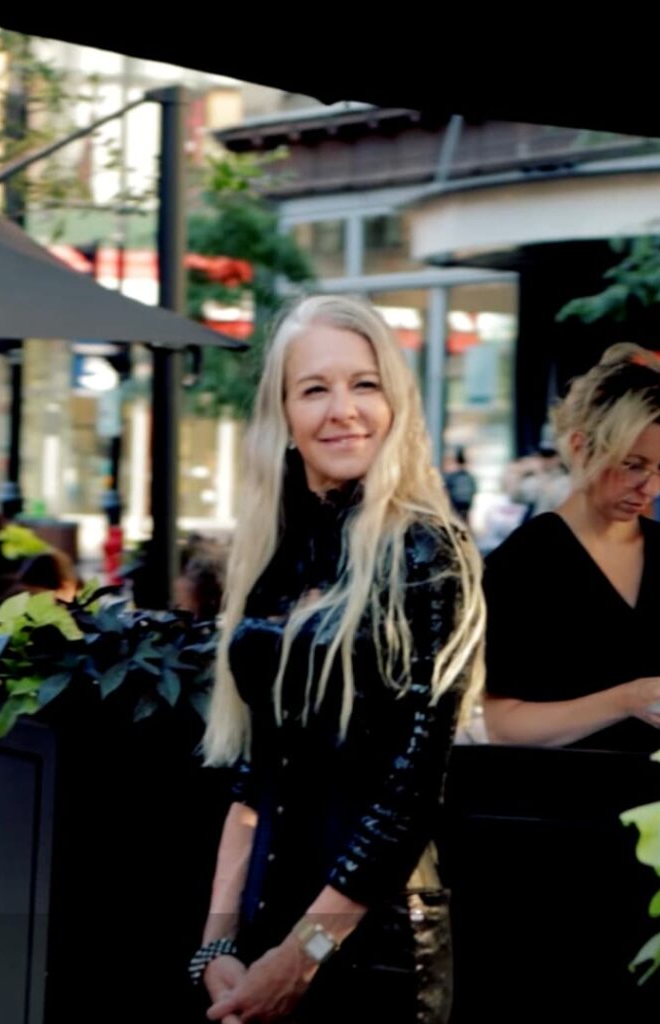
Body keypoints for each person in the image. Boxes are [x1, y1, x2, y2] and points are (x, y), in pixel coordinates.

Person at [192, 295, 485, 1023]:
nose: (342, 410)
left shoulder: (429, 551)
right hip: (269, 923)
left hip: (377, 937)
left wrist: (303, 955)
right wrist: (217, 939)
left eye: (365, 384)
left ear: (395, 403)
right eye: (314, 388)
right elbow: (253, 772)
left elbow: (414, 786)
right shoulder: (275, 557)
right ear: (285, 417)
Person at [482, 344, 660, 751]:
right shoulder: (524, 562)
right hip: (566, 801)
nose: (650, 488)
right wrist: (628, 701)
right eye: (633, 464)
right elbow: (503, 725)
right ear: (580, 447)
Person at [442, 446, 478, 525]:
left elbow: (446, 490)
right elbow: (474, 491)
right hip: (465, 508)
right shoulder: (469, 476)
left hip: (455, 508)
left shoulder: (452, 476)